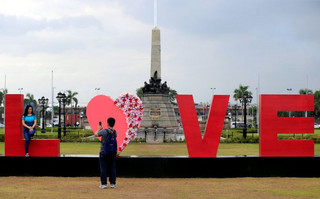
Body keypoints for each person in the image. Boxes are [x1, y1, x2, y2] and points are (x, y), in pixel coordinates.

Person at [94, 117, 117, 189]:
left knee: (103, 168)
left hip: (104, 152)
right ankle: (113, 183)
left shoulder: (104, 131)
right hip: (112, 152)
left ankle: (104, 184)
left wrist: (98, 129)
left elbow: (96, 134)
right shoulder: (115, 132)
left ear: (107, 123)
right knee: (112, 167)